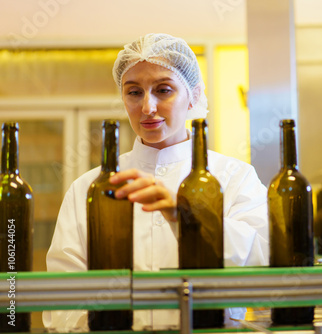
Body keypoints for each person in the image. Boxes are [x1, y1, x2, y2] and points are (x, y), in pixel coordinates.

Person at [43, 33, 269, 331]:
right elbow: (64, 290)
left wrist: (187, 217)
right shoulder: (89, 187)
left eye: (163, 90)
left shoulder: (235, 176)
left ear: (193, 96)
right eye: (134, 92)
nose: (147, 107)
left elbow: (263, 261)